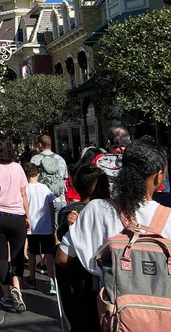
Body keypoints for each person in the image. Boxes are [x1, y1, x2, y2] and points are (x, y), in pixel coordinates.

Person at [56, 138, 171, 330]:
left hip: (109, 316)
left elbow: (62, 258)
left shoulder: (98, 209)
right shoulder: (168, 218)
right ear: (159, 176)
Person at [54, 165, 109, 332]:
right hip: (104, 277)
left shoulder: (69, 211)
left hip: (76, 279)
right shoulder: (111, 210)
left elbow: (60, 250)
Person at [0, 137, 29, 313]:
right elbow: (23, 194)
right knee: (17, 256)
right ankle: (16, 286)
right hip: (17, 215)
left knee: (2, 256)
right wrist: (28, 216)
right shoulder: (17, 167)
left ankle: (7, 295)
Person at [23, 163, 56, 295]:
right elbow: (52, 206)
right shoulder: (45, 188)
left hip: (32, 227)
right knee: (48, 254)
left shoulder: (24, 189)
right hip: (46, 226)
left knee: (32, 253)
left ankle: (32, 277)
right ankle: (52, 281)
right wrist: (53, 223)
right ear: (38, 174)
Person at [30, 134, 67, 227]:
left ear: (40, 145)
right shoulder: (60, 159)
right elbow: (65, 178)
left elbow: (31, 181)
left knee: (46, 231)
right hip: (59, 199)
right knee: (59, 231)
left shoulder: (35, 159)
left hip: (42, 201)